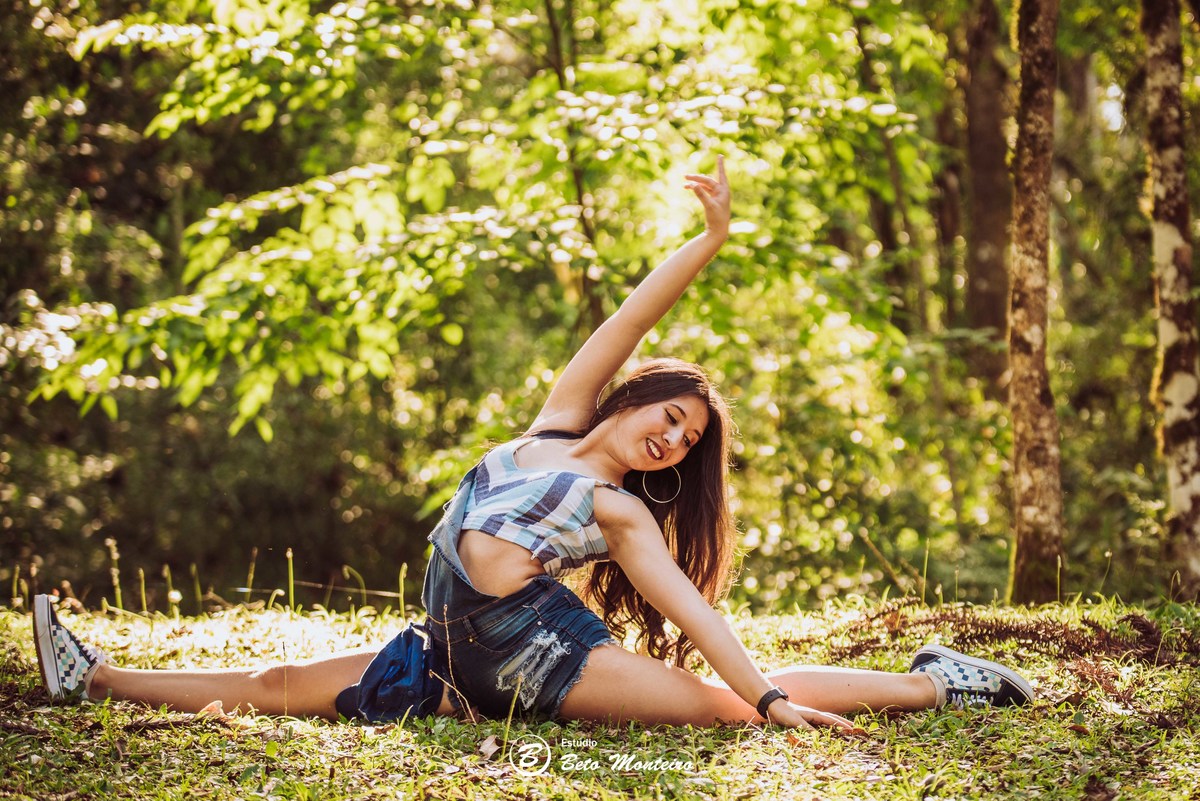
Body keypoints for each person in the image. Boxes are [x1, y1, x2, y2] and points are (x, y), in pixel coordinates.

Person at [31, 157, 1034, 730]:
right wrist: (708, 243)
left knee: (727, 709)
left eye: (686, 442)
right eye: (670, 416)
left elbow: (689, 606)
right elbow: (633, 319)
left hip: (545, 665)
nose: (672, 439)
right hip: (444, 658)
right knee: (273, 688)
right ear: (636, 400)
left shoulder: (616, 512)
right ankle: (98, 678)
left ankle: (940, 680)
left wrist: (767, 694)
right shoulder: (556, 422)